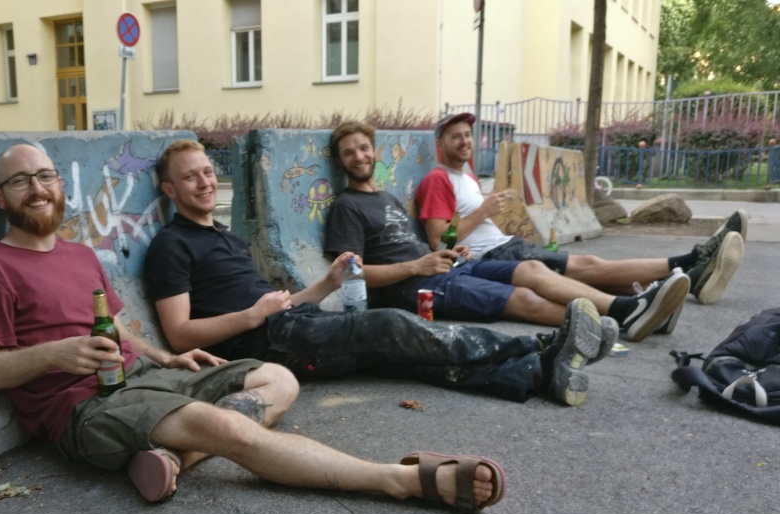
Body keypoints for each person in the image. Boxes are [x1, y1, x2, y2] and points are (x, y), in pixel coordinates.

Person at [0, 143, 507, 513]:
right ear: (0, 197)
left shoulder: (80, 255)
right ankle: (402, 480)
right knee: (236, 430)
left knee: (278, 379)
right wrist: (57, 353)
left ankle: (174, 456)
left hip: (145, 380)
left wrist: (166, 358)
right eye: (21, 180)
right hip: (83, 409)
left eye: (46, 175)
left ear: (59, 186)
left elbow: (120, 330)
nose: (37, 186)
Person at [145, 139, 614, 407]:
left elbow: (283, 306)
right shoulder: (171, 244)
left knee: (403, 355)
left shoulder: (227, 238)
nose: (205, 183)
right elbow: (180, 334)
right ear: (170, 188)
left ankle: (536, 375)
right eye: (190, 177)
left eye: (208, 172)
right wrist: (252, 316)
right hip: (262, 345)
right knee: (392, 325)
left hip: (288, 327)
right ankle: (541, 346)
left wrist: (326, 285)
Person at [323, 120, 689, 343]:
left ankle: (627, 309)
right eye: (349, 153)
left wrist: (448, 253)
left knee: (532, 271)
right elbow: (351, 275)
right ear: (340, 162)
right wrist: (418, 267)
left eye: (363, 148)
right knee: (524, 299)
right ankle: (622, 316)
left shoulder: (387, 197)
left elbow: (419, 244)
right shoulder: (347, 206)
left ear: (375, 151)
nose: (358, 156)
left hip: (447, 267)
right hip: (416, 290)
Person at [415, 112, 747, 307]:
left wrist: (487, 213)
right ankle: (689, 262)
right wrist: (485, 209)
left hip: (504, 247)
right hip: (491, 258)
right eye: (455, 137)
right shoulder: (437, 180)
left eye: (468, 135)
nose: (464, 141)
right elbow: (438, 242)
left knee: (586, 273)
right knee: (588, 264)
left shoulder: (467, 176)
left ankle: (684, 279)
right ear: (440, 145)